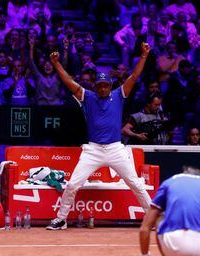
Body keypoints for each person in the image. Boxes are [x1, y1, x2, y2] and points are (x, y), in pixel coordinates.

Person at [46, 43, 152, 230]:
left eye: (105, 86)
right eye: (99, 86)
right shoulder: (88, 97)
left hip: (115, 148)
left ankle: (152, 219)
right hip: (93, 149)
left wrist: (143, 55)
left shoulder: (119, 95)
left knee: (136, 184)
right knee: (72, 185)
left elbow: (134, 76)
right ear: (95, 86)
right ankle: (61, 219)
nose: (103, 89)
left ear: (110, 86)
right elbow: (69, 83)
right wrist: (56, 64)